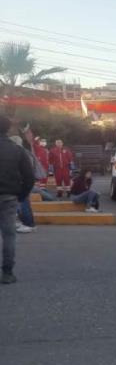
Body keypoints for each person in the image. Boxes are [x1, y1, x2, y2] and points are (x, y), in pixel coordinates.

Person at [0, 116, 37, 284]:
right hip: (9, 197)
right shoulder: (17, 150)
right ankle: (7, 273)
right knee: (9, 235)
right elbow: (29, 177)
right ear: (8, 129)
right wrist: (21, 196)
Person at [9, 135, 36, 233]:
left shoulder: (20, 153)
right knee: (22, 203)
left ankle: (28, 224)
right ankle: (28, 223)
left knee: (23, 204)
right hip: (24, 182)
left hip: (21, 182)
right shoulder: (24, 152)